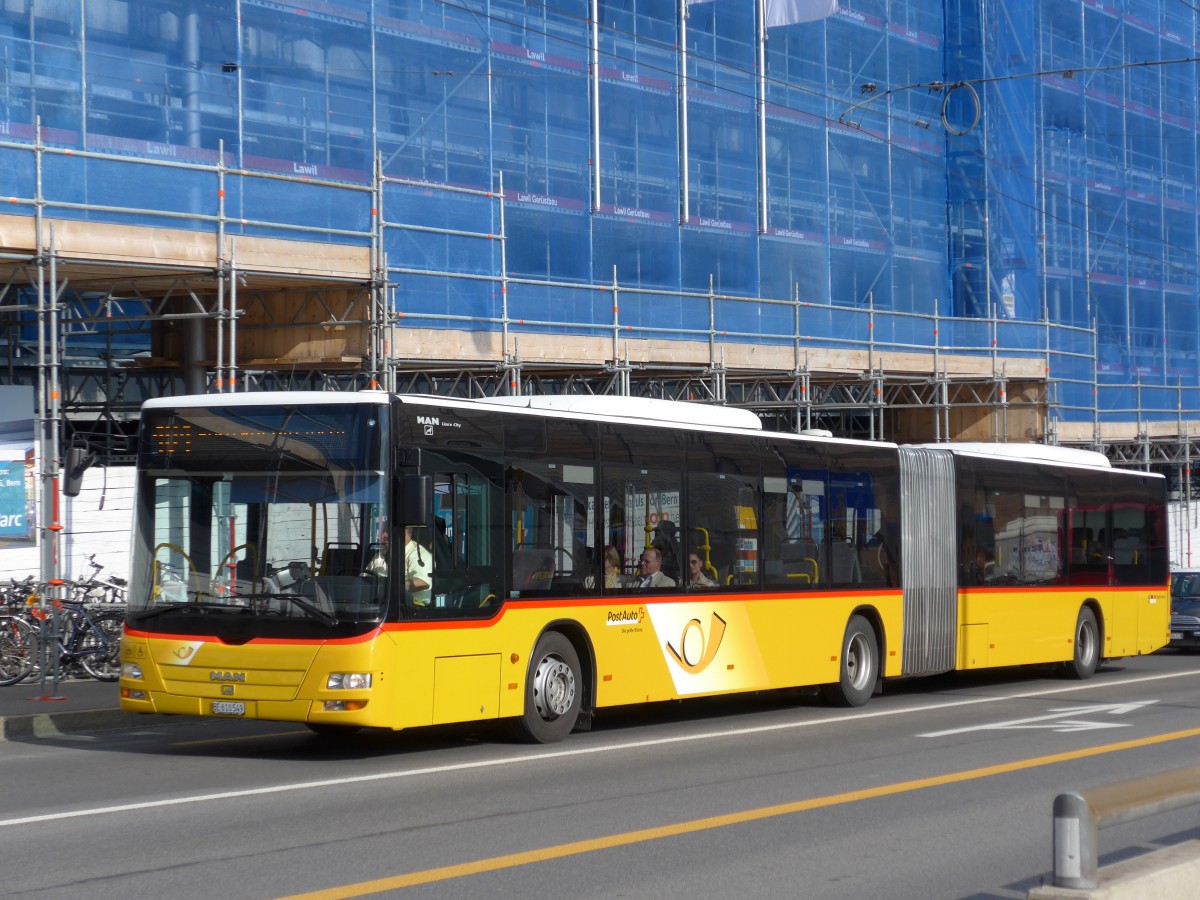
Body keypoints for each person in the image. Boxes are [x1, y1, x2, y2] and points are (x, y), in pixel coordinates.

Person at [404, 526, 432, 605]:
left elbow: (422, 583)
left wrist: (391, 586)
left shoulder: (419, 554)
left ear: (405, 531)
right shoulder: (381, 555)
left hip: (415, 608)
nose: (382, 536)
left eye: (387, 531)